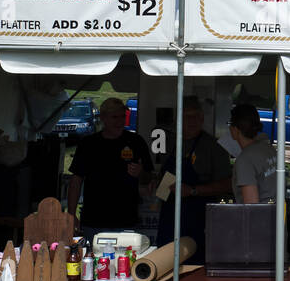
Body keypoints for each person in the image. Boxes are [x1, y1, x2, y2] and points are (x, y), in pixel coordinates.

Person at [157, 96, 233, 262]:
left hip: (199, 220)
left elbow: (228, 184)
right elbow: (159, 176)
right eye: (186, 116)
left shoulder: (214, 147)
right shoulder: (167, 142)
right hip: (169, 220)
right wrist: (152, 184)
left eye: (196, 117)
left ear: (202, 118)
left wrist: (193, 191)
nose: (192, 121)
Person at [66, 96, 153, 233]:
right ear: (103, 118)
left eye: (122, 117)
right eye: (114, 117)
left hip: (127, 221)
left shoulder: (136, 142)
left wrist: (140, 173)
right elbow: (76, 180)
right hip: (93, 221)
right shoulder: (88, 144)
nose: (120, 122)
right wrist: (71, 214)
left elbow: (149, 178)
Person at [229, 103, 278, 203]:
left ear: (235, 129)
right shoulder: (269, 148)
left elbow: (251, 205)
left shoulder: (245, 160)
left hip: (260, 217)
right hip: (276, 214)